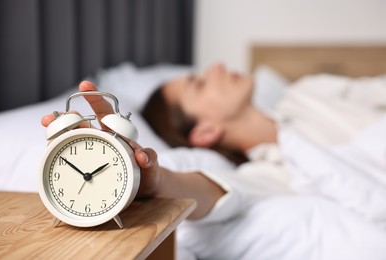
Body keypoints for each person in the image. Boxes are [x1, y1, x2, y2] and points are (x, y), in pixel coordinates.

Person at [41, 63, 386, 260]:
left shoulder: (310, 91)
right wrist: (151, 179)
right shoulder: (270, 173)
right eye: (201, 84)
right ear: (204, 132)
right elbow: (210, 191)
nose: (218, 67)